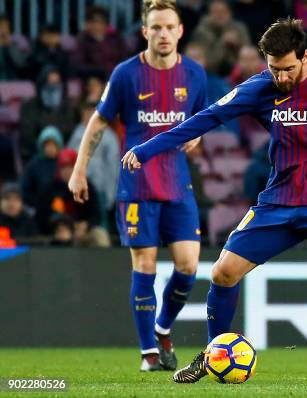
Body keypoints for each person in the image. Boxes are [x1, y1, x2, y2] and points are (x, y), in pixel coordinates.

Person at [123, 18, 307, 384]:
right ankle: (215, 355)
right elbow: (204, 119)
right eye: (274, 68)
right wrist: (148, 149)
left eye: (288, 68)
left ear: (305, 57)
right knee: (222, 273)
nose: (281, 76)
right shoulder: (259, 87)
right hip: (279, 201)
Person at [68, 0, 208, 372]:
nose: (163, 34)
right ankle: (149, 354)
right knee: (145, 266)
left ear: (180, 31)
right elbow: (98, 124)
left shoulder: (195, 74)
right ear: (145, 32)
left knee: (188, 267)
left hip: (178, 185)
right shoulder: (126, 74)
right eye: (156, 28)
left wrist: (197, 139)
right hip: (138, 187)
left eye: (169, 27)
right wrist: (79, 169)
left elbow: (203, 121)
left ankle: (163, 329)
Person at [68, 101, 120, 211]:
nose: (87, 116)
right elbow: (69, 158)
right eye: (85, 113)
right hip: (80, 186)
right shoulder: (77, 133)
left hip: (100, 188)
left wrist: (110, 194)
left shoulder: (109, 136)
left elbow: (113, 167)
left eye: (91, 112)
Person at [19, 66, 78, 162]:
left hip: (63, 158)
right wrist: (46, 148)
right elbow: (27, 138)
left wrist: (58, 150)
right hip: (36, 157)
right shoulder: (29, 107)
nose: (53, 88)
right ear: (41, 85)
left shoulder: (67, 108)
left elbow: (71, 134)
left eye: (56, 83)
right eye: (49, 83)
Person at [190, 0, 251, 76]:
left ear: (230, 13)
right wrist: (222, 43)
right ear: (208, 14)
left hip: (238, 75)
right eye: (216, 12)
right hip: (211, 75)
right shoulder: (201, 33)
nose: (220, 15)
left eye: (223, 12)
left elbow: (249, 56)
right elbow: (208, 63)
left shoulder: (239, 28)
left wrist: (237, 45)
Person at [74, 5, 128, 77]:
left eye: (101, 23)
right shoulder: (83, 40)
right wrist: (100, 72)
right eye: (94, 22)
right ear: (88, 24)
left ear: (106, 25)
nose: (97, 26)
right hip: (93, 78)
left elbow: (125, 59)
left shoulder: (116, 38)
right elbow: (79, 65)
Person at [21, 126, 64, 208]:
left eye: (54, 145)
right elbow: (25, 189)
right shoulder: (34, 164)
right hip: (38, 206)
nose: (50, 148)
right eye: (47, 145)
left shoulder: (63, 162)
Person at [0, 14, 27, 80]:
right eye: (1, 26)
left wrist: (11, 45)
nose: (3, 29)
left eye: (5, 26)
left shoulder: (20, 39)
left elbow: (20, 63)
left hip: (16, 75)